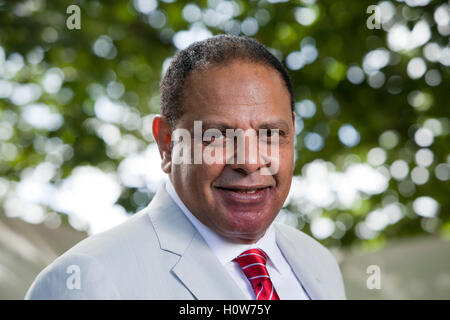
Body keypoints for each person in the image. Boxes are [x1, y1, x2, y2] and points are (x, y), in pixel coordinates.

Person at [26, 35, 346, 300]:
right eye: (218, 136)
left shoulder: (318, 263)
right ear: (167, 143)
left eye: (271, 134)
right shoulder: (86, 281)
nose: (250, 161)